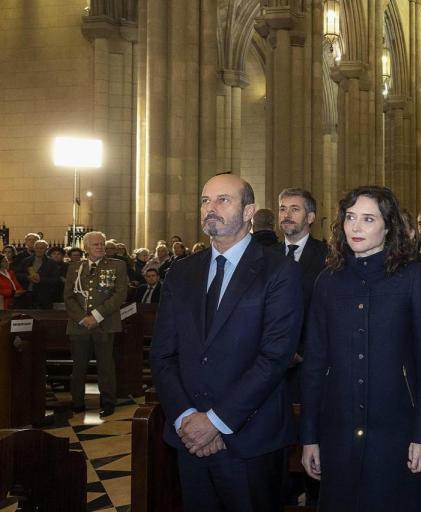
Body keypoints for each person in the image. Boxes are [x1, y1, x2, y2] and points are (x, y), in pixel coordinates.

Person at [149, 174, 303, 511]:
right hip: (188, 436)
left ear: (249, 211)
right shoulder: (181, 272)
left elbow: (274, 357)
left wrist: (215, 422)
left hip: (250, 439)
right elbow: (162, 354)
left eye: (223, 200)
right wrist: (187, 418)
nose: (211, 209)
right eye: (206, 200)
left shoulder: (278, 271)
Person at [299, 186, 421, 511]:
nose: (356, 227)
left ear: (388, 226)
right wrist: (309, 437)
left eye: (368, 219)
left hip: (396, 432)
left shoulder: (413, 278)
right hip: (337, 432)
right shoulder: (327, 281)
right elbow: (314, 365)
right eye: (350, 218)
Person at [64, 231, 129, 416]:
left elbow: (119, 295)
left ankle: (108, 402)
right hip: (79, 325)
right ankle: (77, 402)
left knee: (106, 366)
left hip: (105, 324)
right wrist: (83, 318)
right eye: (95, 244)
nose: (100, 247)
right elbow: (68, 297)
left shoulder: (117, 265)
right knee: (79, 367)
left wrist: (97, 315)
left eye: (102, 244)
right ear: (86, 248)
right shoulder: (75, 267)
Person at [277, 187, 330, 305]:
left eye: (295, 209)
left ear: (310, 217)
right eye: (282, 209)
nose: (286, 215)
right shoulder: (266, 255)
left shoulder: (327, 255)